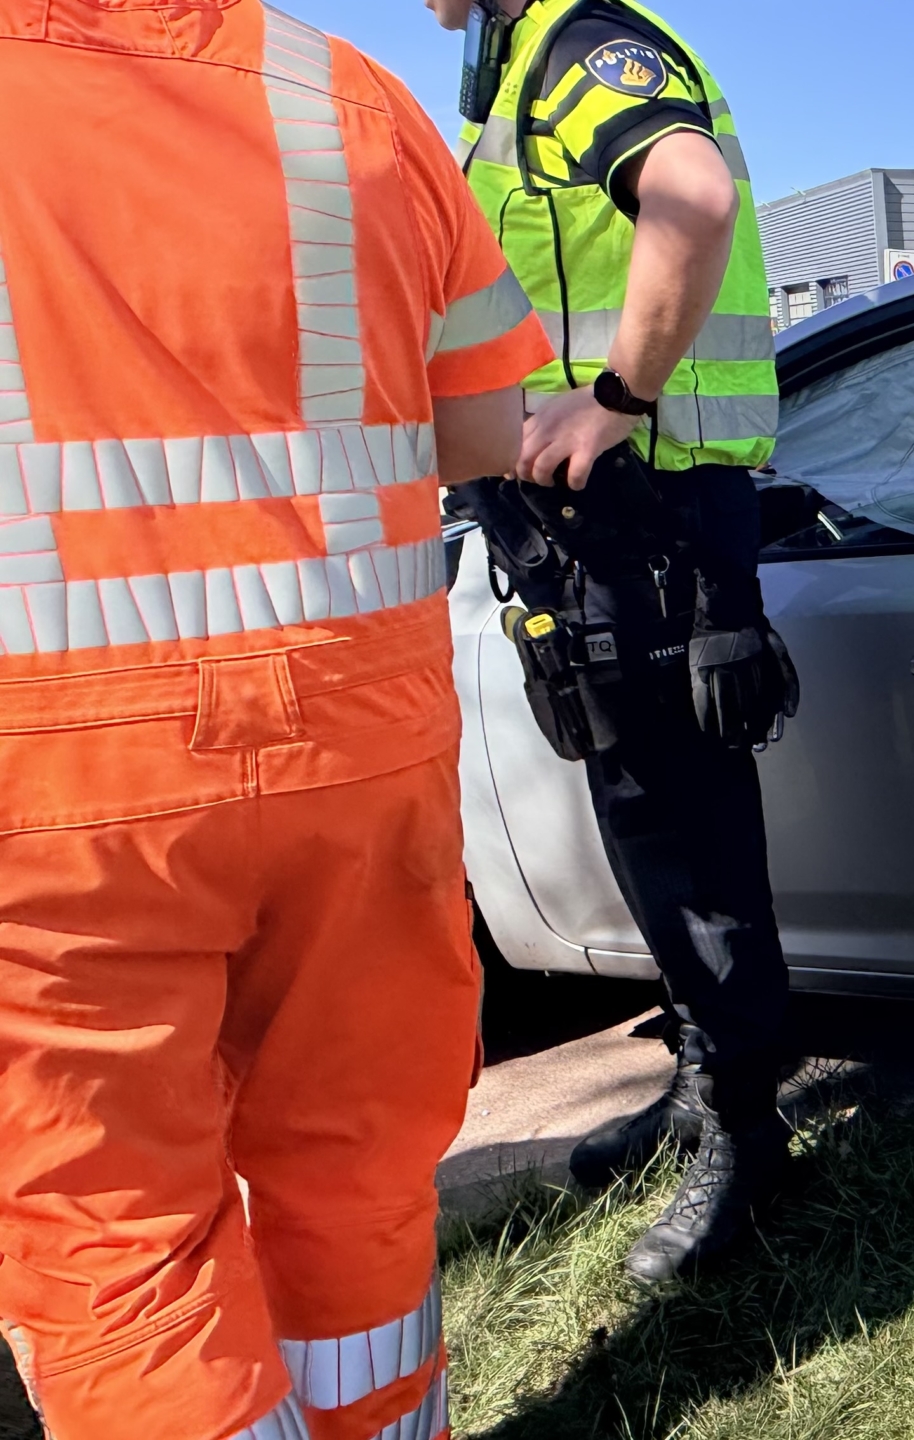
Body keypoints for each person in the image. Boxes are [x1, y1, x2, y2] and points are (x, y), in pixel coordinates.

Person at [0, 3, 552, 1437]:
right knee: (357, 1172)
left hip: (53, 772)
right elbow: (489, 430)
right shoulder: (343, 93)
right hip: (357, 734)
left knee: (119, 1240)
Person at [427, 0, 796, 1284]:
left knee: (687, 838)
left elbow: (687, 194)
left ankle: (749, 1143)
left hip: (645, 522)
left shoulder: (583, 49)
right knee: (646, 821)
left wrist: (616, 398)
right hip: (596, 537)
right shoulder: (520, 71)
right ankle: (706, 1085)